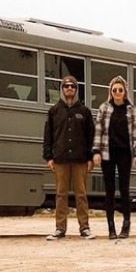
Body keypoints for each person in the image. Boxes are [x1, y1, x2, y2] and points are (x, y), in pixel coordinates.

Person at [43, 75, 95, 240]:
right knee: (60, 194)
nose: (69, 89)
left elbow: (91, 137)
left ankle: (84, 228)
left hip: (80, 160)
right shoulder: (54, 111)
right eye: (66, 86)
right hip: (60, 159)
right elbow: (48, 137)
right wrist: (48, 157)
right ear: (62, 89)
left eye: (72, 86)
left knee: (81, 194)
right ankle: (60, 229)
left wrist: (90, 158)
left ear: (76, 89)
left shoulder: (84, 112)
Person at [93, 76, 136, 239]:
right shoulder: (104, 108)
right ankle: (111, 228)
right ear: (111, 92)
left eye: (120, 90)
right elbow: (98, 131)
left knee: (124, 189)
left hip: (124, 153)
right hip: (107, 153)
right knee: (109, 191)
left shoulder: (132, 110)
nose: (117, 93)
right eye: (114, 90)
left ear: (125, 91)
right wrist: (96, 152)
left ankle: (126, 225)